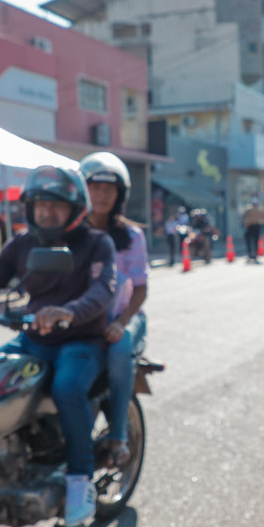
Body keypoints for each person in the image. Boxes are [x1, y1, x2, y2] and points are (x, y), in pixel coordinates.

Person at [0, 166, 116, 527]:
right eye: (40, 204)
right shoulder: (22, 243)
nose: (46, 212)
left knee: (67, 387)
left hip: (80, 340)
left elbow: (102, 291)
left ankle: (79, 482)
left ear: (75, 208)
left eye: (56, 205)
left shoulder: (96, 242)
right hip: (34, 338)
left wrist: (68, 311)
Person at [80, 151, 148, 467]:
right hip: (83, 320)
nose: (102, 194)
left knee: (118, 348)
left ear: (120, 194)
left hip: (124, 318)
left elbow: (140, 288)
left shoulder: (133, 236)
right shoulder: (73, 233)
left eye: (110, 189)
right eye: (95, 187)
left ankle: (118, 436)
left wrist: (122, 321)